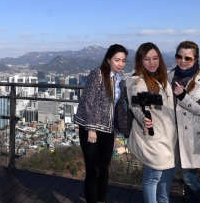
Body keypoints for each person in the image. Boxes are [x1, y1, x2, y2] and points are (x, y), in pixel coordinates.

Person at [74, 44, 128, 203]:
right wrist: (91, 129)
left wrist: (124, 130)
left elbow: (119, 107)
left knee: (104, 169)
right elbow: (87, 102)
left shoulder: (119, 80)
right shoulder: (97, 74)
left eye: (123, 61)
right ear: (108, 59)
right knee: (93, 171)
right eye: (117, 60)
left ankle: (101, 200)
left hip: (108, 130)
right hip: (91, 130)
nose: (120, 64)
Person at [126, 42, 177, 203]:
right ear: (140, 61)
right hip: (153, 137)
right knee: (153, 177)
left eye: (155, 58)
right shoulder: (137, 81)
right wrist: (143, 119)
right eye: (147, 59)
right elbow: (136, 104)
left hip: (169, 136)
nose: (152, 62)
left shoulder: (163, 78)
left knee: (166, 176)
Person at [171, 41, 200, 203]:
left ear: (195, 60)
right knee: (173, 173)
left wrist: (182, 97)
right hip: (172, 133)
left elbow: (199, 109)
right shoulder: (169, 75)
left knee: (188, 177)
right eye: (179, 56)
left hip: (191, 135)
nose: (183, 60)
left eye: (188, 58)